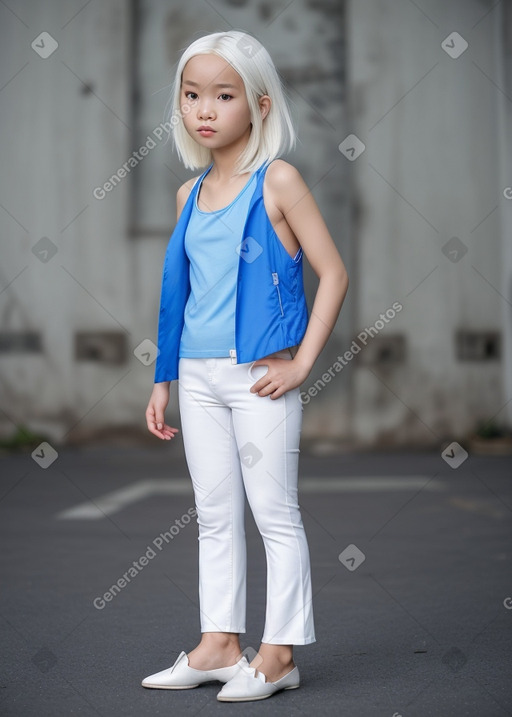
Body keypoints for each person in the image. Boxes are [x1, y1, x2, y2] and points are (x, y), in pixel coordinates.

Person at [142, 30, 349, 702]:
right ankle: (220, 643)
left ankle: (280, 653)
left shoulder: (277, 180)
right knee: (213, 514)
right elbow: (182, 296)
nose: (205, 109)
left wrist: (303, 366)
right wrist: (163, 377)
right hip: (197, 378)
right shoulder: (188, 194)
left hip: (260, 374)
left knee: (275, 514)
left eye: (223, 96)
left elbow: (333, 273)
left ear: (258, 105)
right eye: (193, 94)